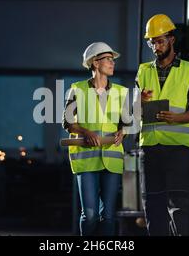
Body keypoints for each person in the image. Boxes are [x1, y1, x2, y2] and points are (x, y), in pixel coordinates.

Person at [135, 14, 189, 236]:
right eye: (152, 42)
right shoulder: (143, 70)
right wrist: (137, 104)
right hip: (150, 150)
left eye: (160, 40)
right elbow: (134, 110)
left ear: (171, 39)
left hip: (177, 151)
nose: (156, 46)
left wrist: (175, 118)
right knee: (153, 209)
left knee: (179, 209)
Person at [62, 42, 128, 236]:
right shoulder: (77, 89)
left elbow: (127, 123)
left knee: (108, 216)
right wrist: (85, 131)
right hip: (86, 159)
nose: (112, 63)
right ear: (95, 63)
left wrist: (123, 131)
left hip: (112, 159)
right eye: (108, 59)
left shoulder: (121, 92)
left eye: (112, 59)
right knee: (90, 215)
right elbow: (66, 123)